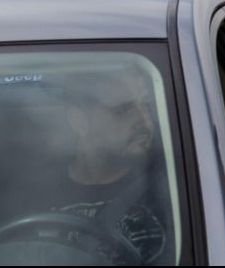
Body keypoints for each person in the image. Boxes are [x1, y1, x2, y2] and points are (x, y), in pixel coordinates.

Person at [48, 69, 171, 265]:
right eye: (123, 110)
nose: (145, 121)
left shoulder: (174, 186)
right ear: (79, 121)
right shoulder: (36, 190)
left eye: (146, 106)